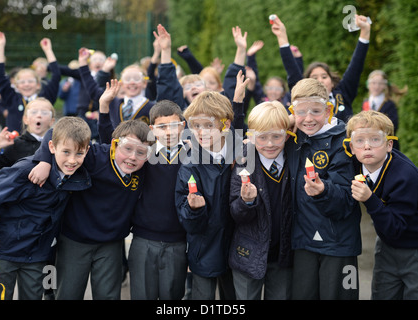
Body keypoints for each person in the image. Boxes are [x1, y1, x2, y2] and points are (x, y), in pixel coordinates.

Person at [28, 80, 152, 300]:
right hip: (75, 240)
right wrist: (44, 161)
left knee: (108, 296)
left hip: (111, 244)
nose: (133, 157)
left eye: (140, 152)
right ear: (114, 147)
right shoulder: (95, 156)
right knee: (67, 293)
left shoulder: (143, 166)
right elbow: (57, 131)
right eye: (128, 149)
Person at [0, 116, 91, 300]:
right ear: (51, 147)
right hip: (5, 250)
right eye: (66, 152)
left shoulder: (76, 176)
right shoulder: (24, 171)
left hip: (38, 255)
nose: (72, 160)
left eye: (79, 154)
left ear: (87, 151)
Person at [98, 94, 189, 300]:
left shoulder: (192, 157)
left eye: (173, 125)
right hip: (143, 240)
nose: (168, 132)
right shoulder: (143, 155)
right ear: (152, 130)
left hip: (178, 242)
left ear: (183, 126)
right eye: (161, 127)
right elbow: (110, 143)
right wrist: (104, 108)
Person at [286, 78, 361, 300]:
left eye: (316, 111)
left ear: (328, 109)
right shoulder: (291, 137)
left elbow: (347, 202)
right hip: (302, 242)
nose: (308, 118)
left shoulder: (345, 142)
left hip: (338, 245)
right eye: (301, 111)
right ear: (292, 111)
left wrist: (323, 191)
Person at [175, 90, 242, 300]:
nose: (201, 132)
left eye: (208, 125)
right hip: (204, 250)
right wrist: (194, 209)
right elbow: (188, 222)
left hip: (236, 249)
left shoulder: (241, 155)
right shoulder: (189, 165)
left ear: (226, 125)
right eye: (196, 126)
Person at [344, 110, 418, 300]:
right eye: (359, 141)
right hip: (386, 245)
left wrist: (370, 199)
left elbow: (396, 228)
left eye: (375, 140)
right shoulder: (355, 162)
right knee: (382, 294)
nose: (367, 146)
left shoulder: (406, 176)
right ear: (351, 147)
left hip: (412, 245)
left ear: (389, 145)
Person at [229, 100, 294, 300]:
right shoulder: (243, 160)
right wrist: (245, 202)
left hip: (283, 253)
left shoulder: (294, 157)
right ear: (251, 136)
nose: (269, 143)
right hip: (249, 252)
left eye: (277, 136)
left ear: (287, 134)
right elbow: (234, 212)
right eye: (262, 137)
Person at [271, 14, 371, 123]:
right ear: (307, 84)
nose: (320, 80)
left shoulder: (343, 95)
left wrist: (365, 32)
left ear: (332, 82)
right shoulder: (302, 98)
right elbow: (292, 69)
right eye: (314, 77)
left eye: (324, 76)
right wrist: (282, 37)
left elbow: (356, 66)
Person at [0, 32, 61, 133]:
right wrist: (0, 47)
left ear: (38, 85)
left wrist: (48, 50)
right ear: (17, 86)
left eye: (30, 81)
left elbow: (56, 76)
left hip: (40, 146)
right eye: (22, 82)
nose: (26, 84)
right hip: (15, 146)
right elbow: (1, 77)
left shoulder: (45, 98)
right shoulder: (12, 98)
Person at [0, 98, 55, 171]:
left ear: (52, 121)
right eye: (34, 112)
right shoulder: (15, 144)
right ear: (25, 119)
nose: (39, 115)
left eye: (44, 113)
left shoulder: (55, 145)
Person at [362, 70, 407, 150]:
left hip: (386, 145)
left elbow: (393, 126)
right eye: (373, 83)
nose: (376, 86)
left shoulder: (389, 104)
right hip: (369, 144)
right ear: (368, 84)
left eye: (380, 83)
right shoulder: (366, 102)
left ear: (385, 86)